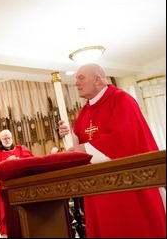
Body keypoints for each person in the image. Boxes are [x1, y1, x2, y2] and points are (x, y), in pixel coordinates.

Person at [58, 63, 166, 238]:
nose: (76, 83)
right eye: (76, 79)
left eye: (81, 78)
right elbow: (77, 144)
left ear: (98, 79)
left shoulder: (121, 99)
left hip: (129, 183)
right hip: (98, 187)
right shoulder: (85, 111)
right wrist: (68, 134)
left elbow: (125, 138)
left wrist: (84, 148)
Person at [0, 129, 34, 236]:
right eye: (5, 138)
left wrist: (18, 160)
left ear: (12, 138)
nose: (7, 140)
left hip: (22, 186)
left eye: (9, 138)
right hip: (6, 190)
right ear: (0, 140)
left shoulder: (20, 149)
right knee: (10, 215)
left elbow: (31, 160)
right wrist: (6, 162)